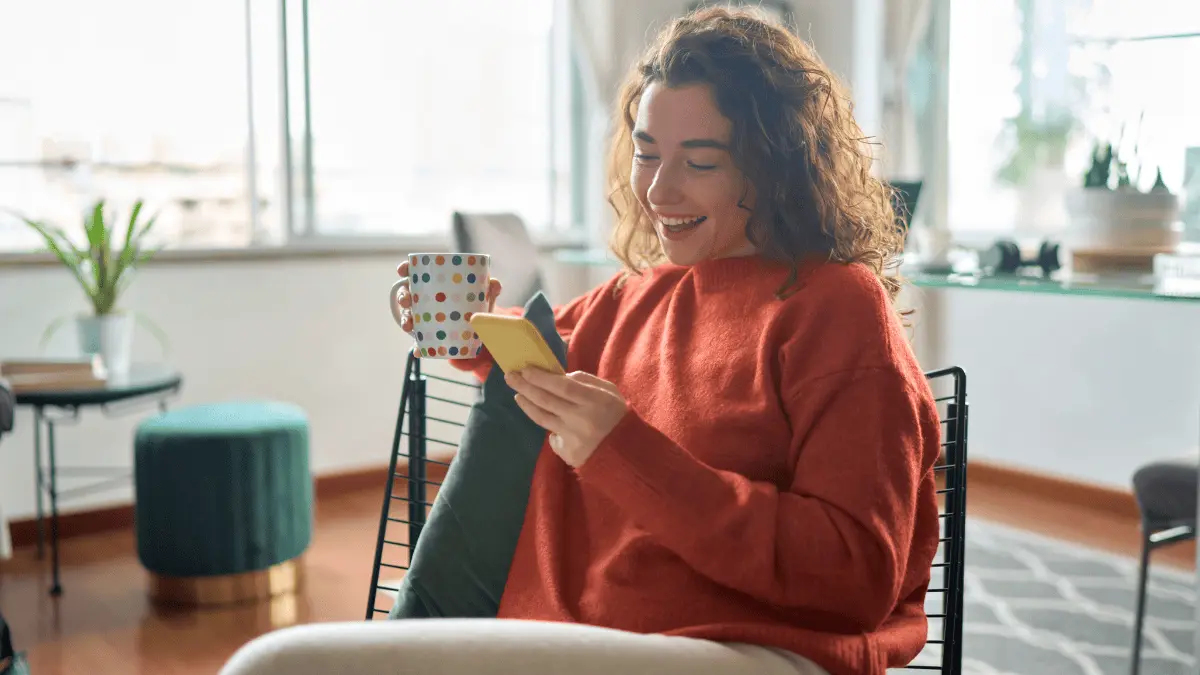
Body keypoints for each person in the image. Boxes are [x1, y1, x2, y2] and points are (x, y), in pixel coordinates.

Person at [220, 6, 940, 675]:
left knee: (274, 667)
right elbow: (543, 354)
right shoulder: (642, 292)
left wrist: (621, 449)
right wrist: (469, 327)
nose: (658, 191)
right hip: (597, 635)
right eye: (648, 152)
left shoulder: (837, 308)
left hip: (747, 646)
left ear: (776, 167)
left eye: (700, 161)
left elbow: (854, 575)